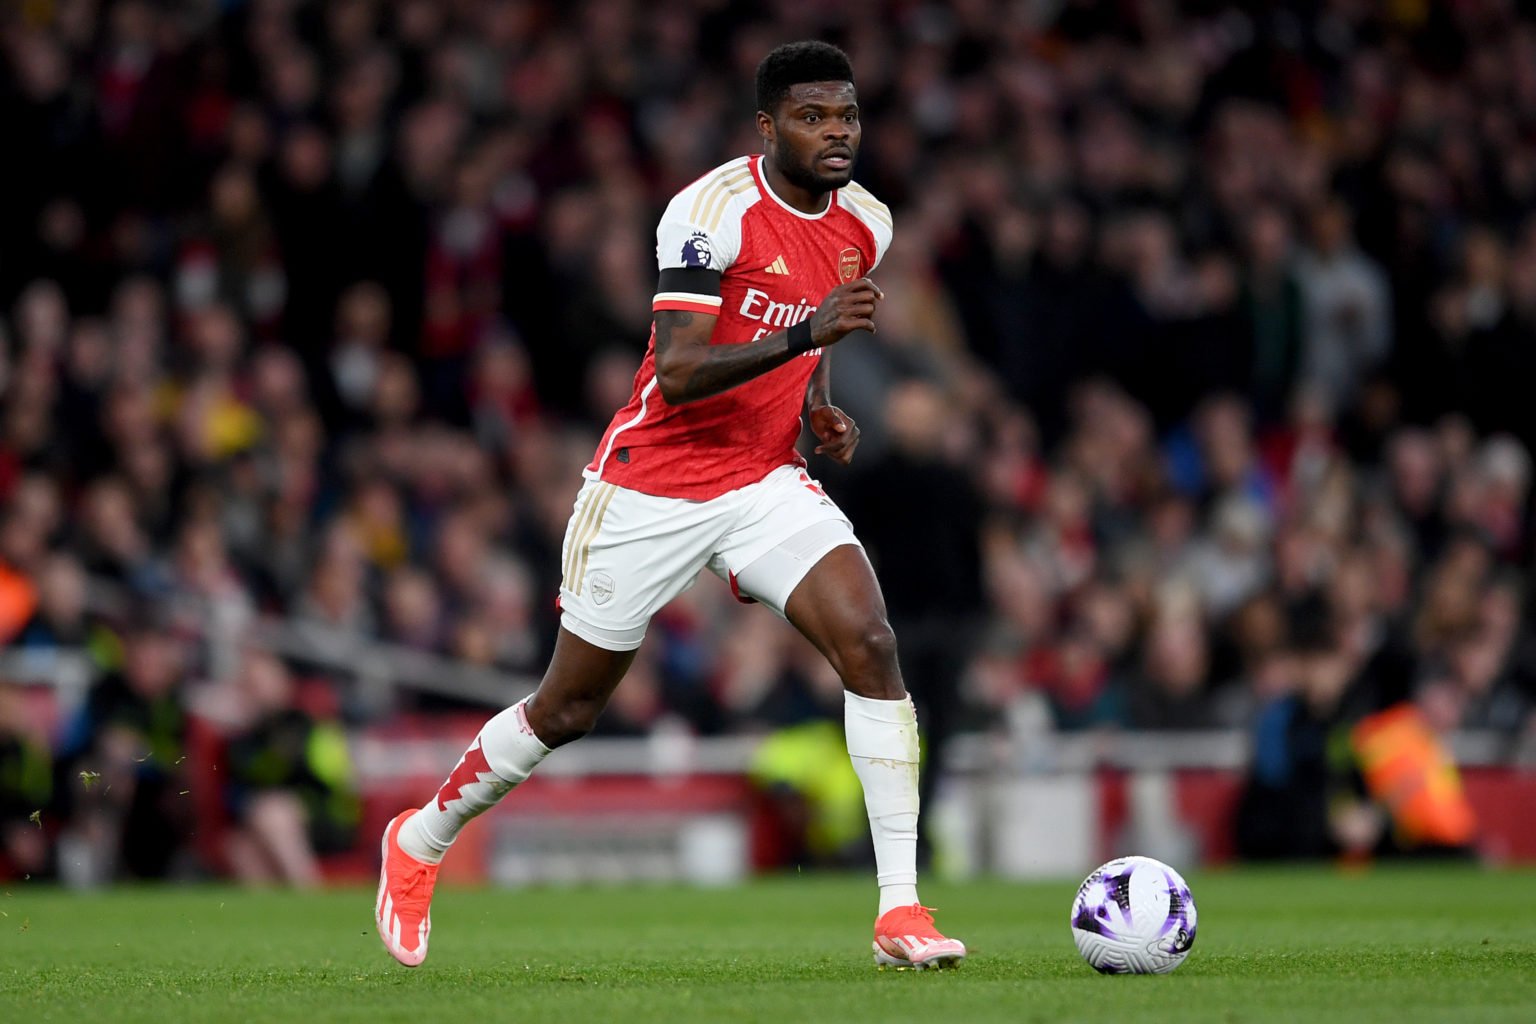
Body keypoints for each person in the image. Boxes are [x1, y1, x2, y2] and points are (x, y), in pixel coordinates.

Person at [375, 41, 965, 971]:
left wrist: (815, 407)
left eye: (847, 116)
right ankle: (421, 841)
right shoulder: (706, 213)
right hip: (650, 483)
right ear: (770, 129)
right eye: (813, 118)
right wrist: (808, 336)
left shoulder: (866, 223)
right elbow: (684, 372)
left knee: (872, 644)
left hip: (763, 480)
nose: (838, 134)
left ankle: (900, 910)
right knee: (566, 711)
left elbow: (815, 325)